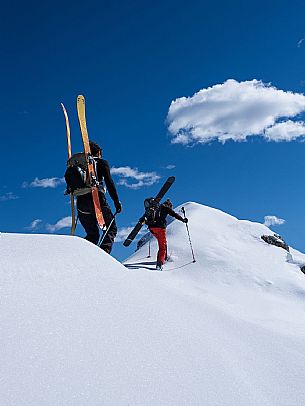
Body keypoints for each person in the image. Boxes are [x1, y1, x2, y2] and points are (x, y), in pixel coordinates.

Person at [76, 141, 122, 254]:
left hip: (81, 202)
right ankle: (103, 256)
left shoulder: (80, 165)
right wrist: (116, 202)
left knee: (92, 235)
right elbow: (109, 183)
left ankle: (81, 256)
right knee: (111, 228)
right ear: (99, 152)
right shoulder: (101, 163)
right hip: (96, 199)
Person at [145, 198, 188, 270]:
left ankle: (164, 257)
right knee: (162, 247)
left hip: (152, 229)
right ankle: (160, 263)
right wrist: (183, 220)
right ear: (169, 205)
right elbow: (174, 215)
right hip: (160, 228)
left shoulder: (156, 207)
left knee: (163, 244)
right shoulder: (166, 208)